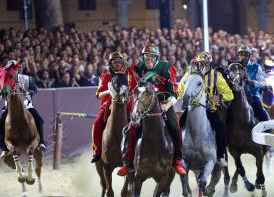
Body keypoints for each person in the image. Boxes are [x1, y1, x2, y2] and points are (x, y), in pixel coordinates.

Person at [117, 43, 186, 176]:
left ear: (156, 58)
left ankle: (177, 160)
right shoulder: (139, 68)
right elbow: (133, 86)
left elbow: (174, 91)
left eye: (151, 58)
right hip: (145, 103)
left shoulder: (167, 68)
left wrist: (169, 103)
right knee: (132, 127)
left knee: (175, 127)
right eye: (146, 58)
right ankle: (128, 162)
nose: (148, 61)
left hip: (163, 102)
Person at [178, 51, 234, 168]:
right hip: (192, 109)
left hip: (209, 109)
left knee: (221, 127)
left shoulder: (216, 76)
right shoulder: (190, 74)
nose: (204, 67)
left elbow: (229, 94)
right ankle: (175, 155)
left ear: (211, 65)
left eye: (207, 64)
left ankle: (220, 156)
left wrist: (219, 96)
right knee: (178, 125)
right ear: (197, 65)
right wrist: (183, 95)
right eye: (201, 64)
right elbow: (180, 87)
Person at [91, 52, 132, 163]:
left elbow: (133, 89)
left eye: (119, 62)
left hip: (126, 105)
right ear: (111, 64)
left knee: (138, 122)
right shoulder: (105, 76)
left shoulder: (128, 75)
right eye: (115, 62)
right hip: (108, 107)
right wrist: (109, 91)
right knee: (97, 123)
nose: (117, 64)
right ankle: (97, 151)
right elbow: (98, 95)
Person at [0, 60, 46, 157]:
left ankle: (41, 142)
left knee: (39, 119)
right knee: (1, 122)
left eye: (14, 69)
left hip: (26, 105)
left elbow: (35, 88)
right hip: (10, 107)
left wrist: (29, 93)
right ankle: (3, 147)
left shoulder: (25, 78)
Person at [237, 45, 269, 121]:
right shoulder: (235, 67)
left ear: (249, 56)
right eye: (241, 54)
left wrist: (250, 82)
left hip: (253, 96)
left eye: (246, 54)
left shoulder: (256, 67)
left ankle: (267, 129)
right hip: (237, 96)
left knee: (260, 111)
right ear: (239, 55)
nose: (243, 57)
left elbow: (263, 83)